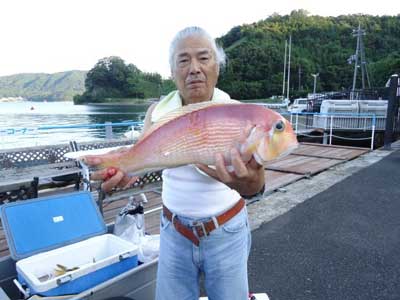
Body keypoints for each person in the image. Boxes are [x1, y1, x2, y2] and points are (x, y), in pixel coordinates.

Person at [88, 26, 265, 300]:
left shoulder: (237, 114)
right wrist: (124, 169)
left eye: (203, 58)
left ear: (217, 67)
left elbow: (257, 183)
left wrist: (249, 184)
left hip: (227, 228)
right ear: (172, 71)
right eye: (183, 60)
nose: (194, 68)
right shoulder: (157, 114)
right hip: (174, 230)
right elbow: (142, 160)